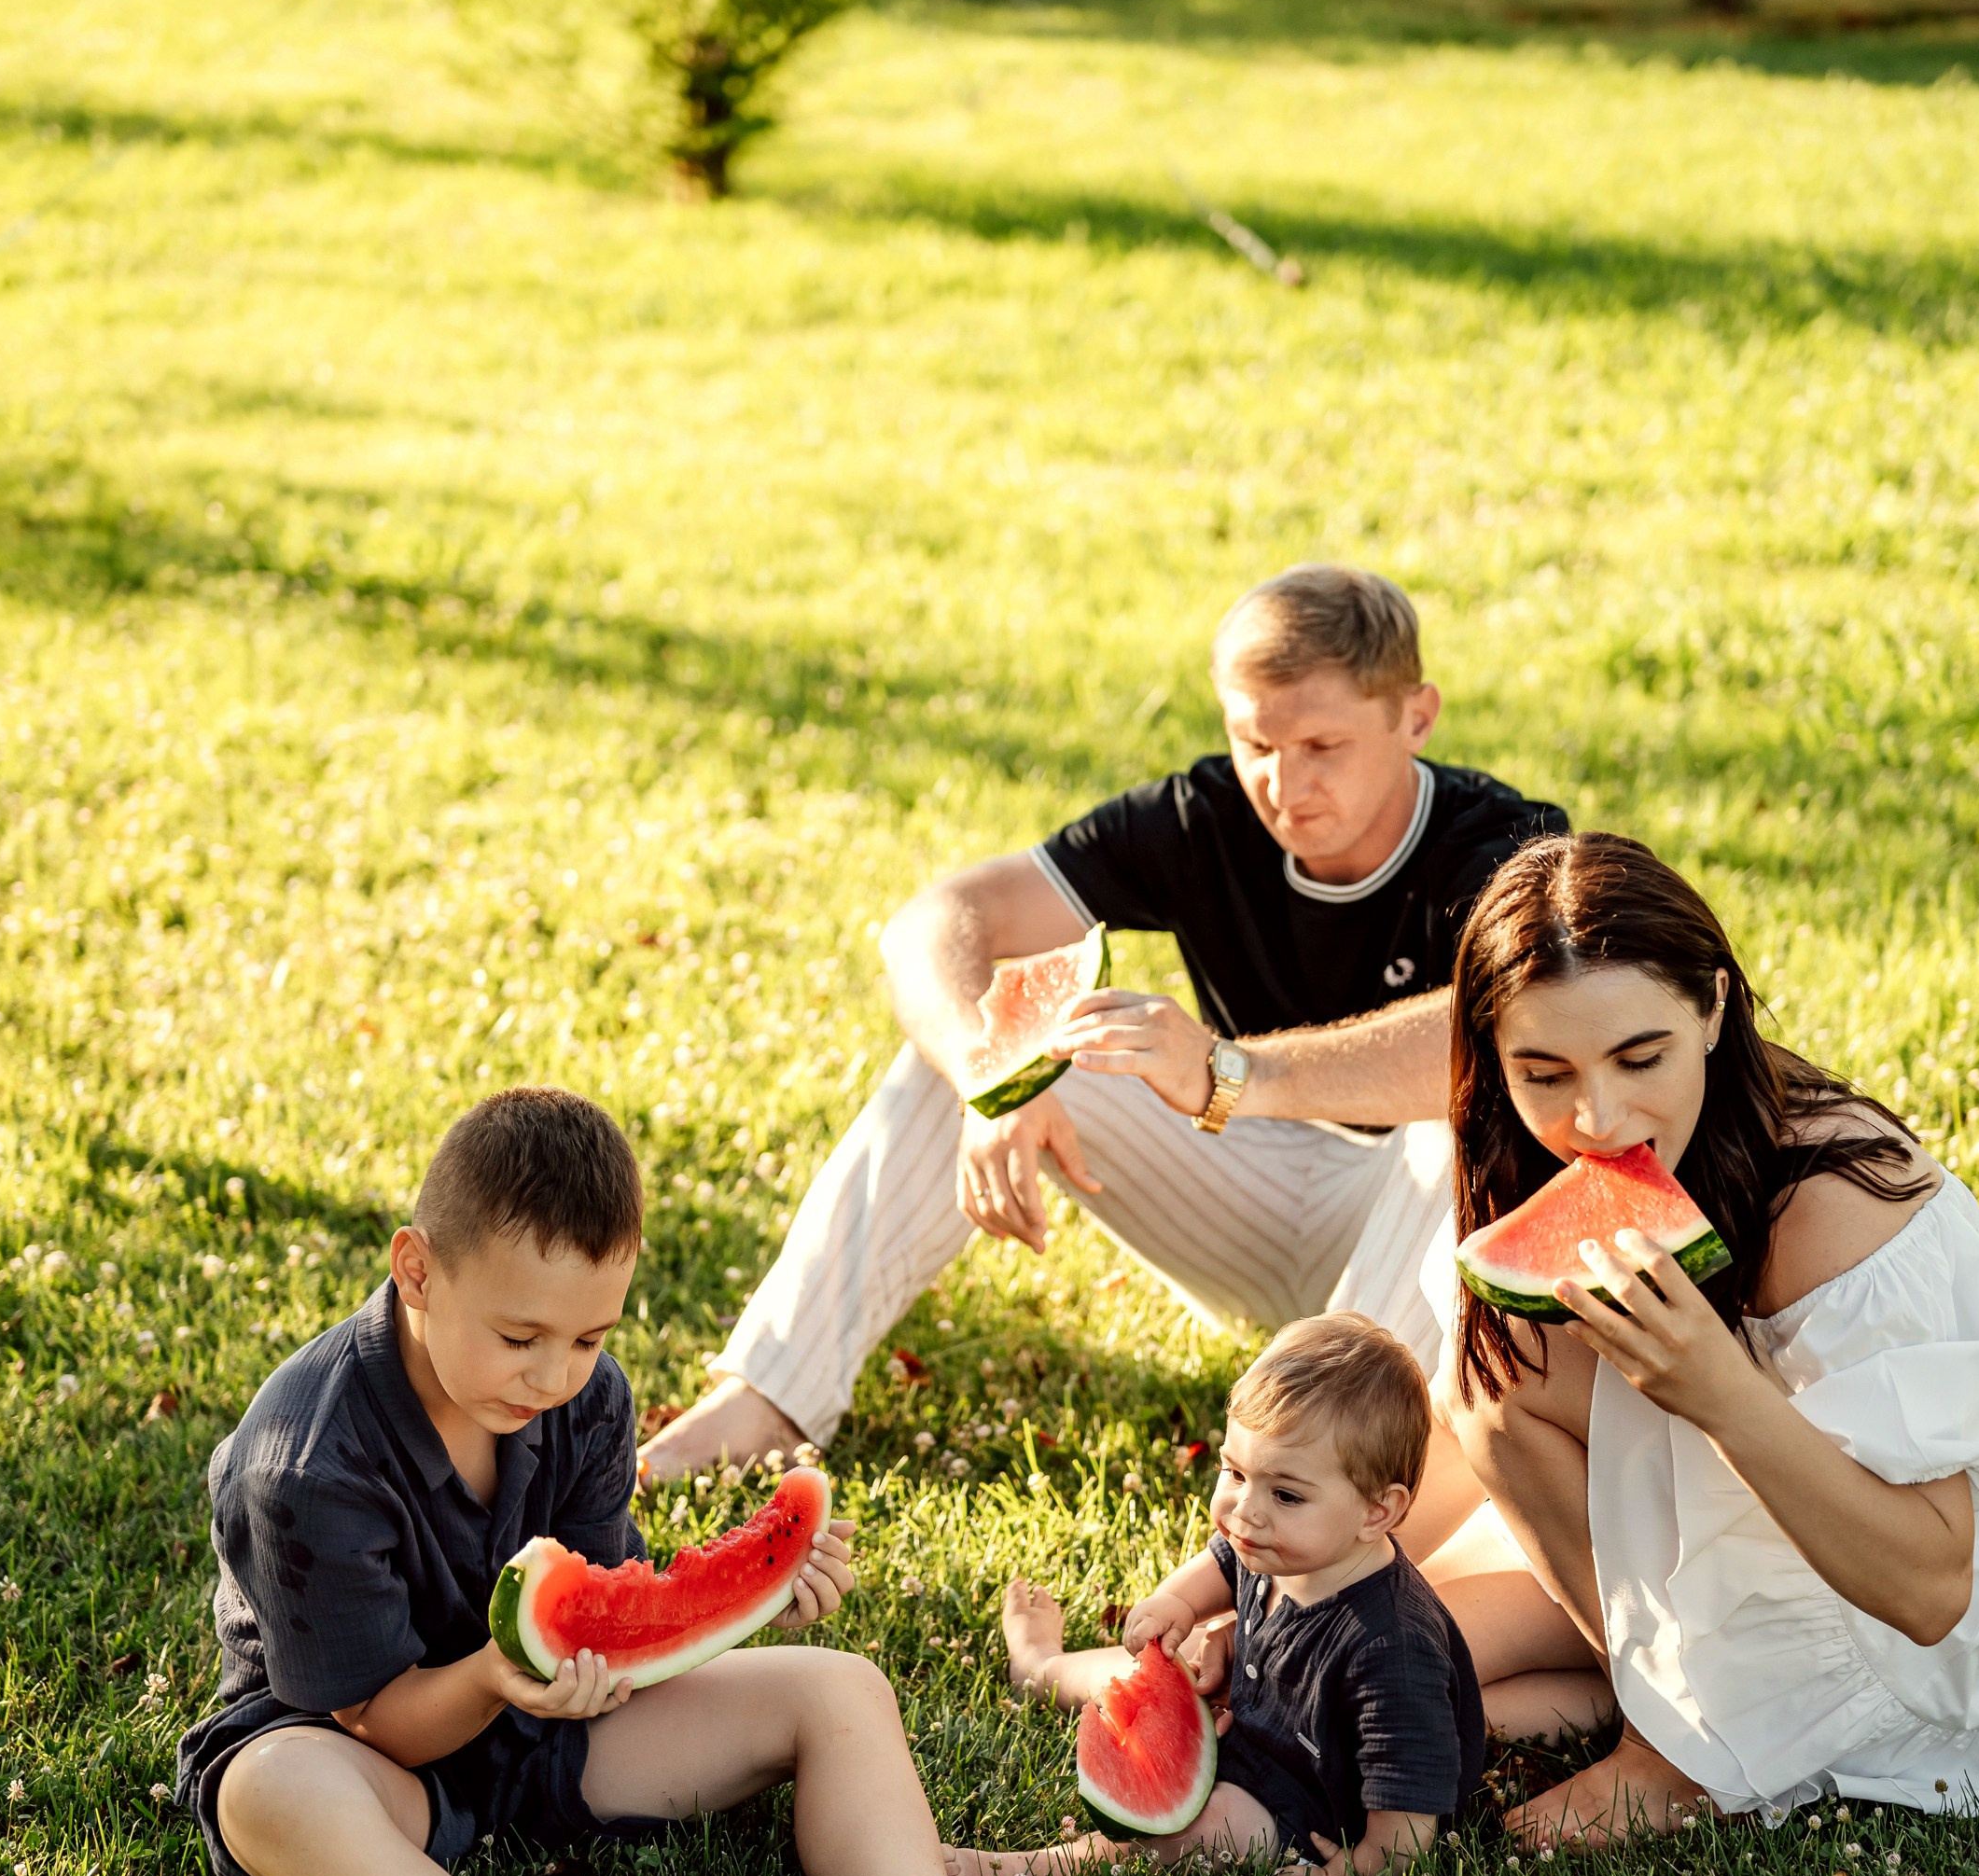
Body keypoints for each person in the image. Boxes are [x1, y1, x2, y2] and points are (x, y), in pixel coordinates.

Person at [1071, 831, 1979, 1843]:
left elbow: (1932, 1592)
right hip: (1690, 1542)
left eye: (1640, 1057)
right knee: (1404, 1552)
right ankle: (1647, 1689)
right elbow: (1472, 1417)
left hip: (1900, 1620)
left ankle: (1672, 1751)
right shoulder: (1519, 1138)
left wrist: (1718, 1389)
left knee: (1404, 1636)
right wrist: (1284, 1584)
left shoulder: (1842, 1204)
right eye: (1543, 1073)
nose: (1594, 1120)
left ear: (1712, 1006)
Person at [174, 1086, 1156, 1876]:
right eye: (519, 1337)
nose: (554, 1374)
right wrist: (497, 1675)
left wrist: (747, 1605)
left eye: (589, 1336)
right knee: (279, 1793)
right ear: (417, 1269)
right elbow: (383, 1720)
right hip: (368, 1758)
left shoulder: (586, 1401)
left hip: (552, 1730)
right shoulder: (306, 1459)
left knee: (837, 1686)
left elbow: (616, 1626)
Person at [639, 566, 1565, 1483]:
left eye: (1323, 744)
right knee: (985, 1038)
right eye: (1255, 742)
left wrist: (1229, 1071)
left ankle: (1327, 1486)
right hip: (1247, 1195)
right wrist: (990, 1076)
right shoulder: (1204, 816)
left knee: (1464, 1108)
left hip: (1424, 1227)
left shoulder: (1506, 841)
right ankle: (770, 1398)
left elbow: (1523, 1030)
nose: (1284, 785)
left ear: (1415, 716)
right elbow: (935, 919)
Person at [947, 1314, 1484, 1876]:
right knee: (1147, 1679)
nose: (1244, 1510)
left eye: (1285, 1494)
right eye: (1235, 1472)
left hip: (1311, 1810)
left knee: (1202, 1826)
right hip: (1251, 1735)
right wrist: (1175, 1602)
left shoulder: (1391, 1647)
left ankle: (1025, 1873)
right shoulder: (1282, 1544)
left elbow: (1409, 1809)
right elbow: (1222, 1564)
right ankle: (1039, 1666)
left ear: (1378, 1512)